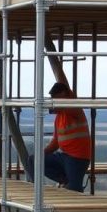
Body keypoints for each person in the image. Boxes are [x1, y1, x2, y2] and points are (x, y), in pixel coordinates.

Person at [27, 38, 92, 192]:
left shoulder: (74, 109)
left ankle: (72, 191)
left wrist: (52, 105)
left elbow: (63, 101)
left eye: (56, 99)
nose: (53, 103)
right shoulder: (60, 118)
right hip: (64, 157)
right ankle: (57, 182)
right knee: (33, 160)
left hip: (78, 158)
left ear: (65, 95)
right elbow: (56, 143)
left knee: (74, 190)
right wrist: (40, 154)